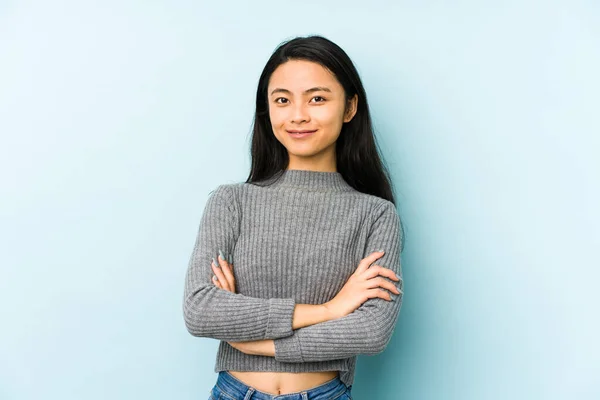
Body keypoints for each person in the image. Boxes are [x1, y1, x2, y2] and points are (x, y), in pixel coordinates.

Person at [183, 34, 405, 400]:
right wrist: (331, 309)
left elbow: (371, 330)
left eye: (317, 99)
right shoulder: (231, 201)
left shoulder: (375, 214)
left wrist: (254, 342)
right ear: (267, 110)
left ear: (350, 108)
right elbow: (201, 310)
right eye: (282, 100)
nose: (298, 115)